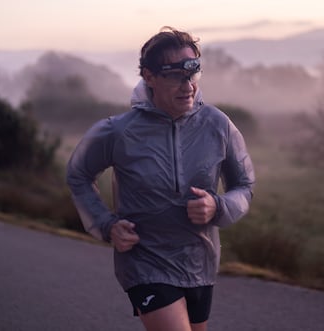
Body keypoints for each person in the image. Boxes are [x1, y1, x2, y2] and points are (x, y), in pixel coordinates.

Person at [66, 26, 255, 331]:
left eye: (192, 74)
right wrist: (106, 225)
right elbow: (78, 173)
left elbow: (245, 186)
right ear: (148, 76)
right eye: (175, 75)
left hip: (199, 262)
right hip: (144, 261)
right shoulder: (118, 131)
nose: (188, 86)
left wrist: (217, 207)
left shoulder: (218, 125)